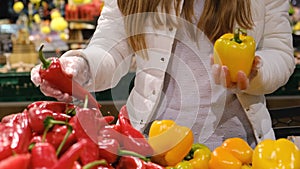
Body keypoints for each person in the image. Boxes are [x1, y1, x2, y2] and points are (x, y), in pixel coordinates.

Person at [31, 0, 295, 150]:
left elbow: (280, 52)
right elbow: (109, 47)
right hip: (150, 149)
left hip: (237, 148)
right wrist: (82, 65)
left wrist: (255, 70)